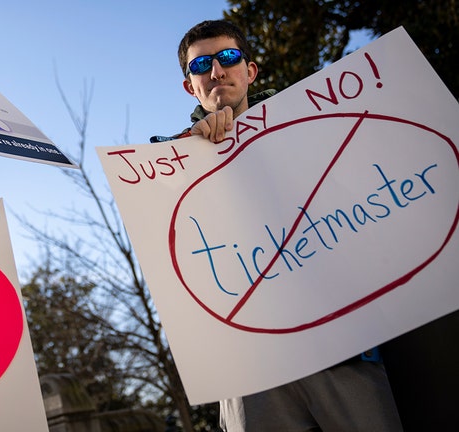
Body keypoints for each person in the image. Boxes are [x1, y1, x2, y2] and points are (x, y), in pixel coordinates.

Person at [153, 20, 404, 432]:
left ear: (250, 71)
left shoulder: (314, 124)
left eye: (229, 58)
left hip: (338, 346)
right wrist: (192, 155)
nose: (217, 71)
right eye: (201, 66)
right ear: (190, 86)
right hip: (247, 370)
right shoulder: (167, 161)